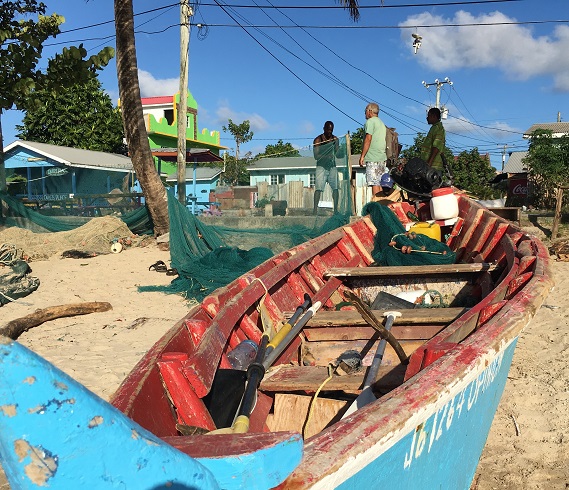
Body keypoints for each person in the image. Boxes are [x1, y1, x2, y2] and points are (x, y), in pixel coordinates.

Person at [359, 102, 387, 199]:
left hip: (373, 157)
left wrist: (362, 156)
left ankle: (377, 206)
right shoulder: (382, 123)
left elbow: (368, 138)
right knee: (380, 183)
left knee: (374, 183)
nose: (365, 113)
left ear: (370, 111)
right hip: (382, 157)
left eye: (365, 111)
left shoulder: (370, 122)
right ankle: (382, 204)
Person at [313, 120, 340, 214]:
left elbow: (338, 154)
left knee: (336, 188)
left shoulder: (335, 139)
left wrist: (342, 151)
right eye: (328, 130)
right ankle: (315, 210)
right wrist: (326, 156)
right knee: (318, 189)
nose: (329, 132)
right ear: (324, 129)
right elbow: (316, 156)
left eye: (331, 130)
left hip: (332, 166)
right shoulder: (318, 140)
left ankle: (336, 209)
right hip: (321, 166)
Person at [421, 107, 446, 171]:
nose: (427, 118)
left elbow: (436, 147)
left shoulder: (438, 129)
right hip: (429, 165)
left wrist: (429, 163)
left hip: (433, 167)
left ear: (434, 116)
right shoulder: (434, 128)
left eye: (429, 115)